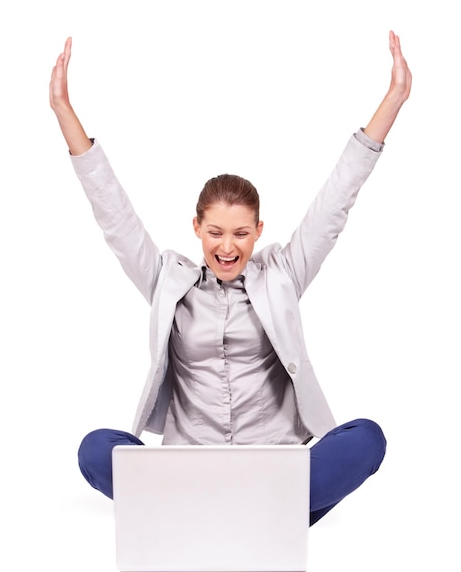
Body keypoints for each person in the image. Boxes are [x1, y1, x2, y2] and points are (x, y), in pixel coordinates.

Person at [49, 31, 411, 525]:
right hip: (190, 468)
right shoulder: (165, 281)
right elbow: (112, 213)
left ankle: (213, 518)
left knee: (366, 437)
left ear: (259, 232)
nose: (227, 246)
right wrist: (64, 110)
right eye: (215, 232)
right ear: (195, 228)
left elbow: (336, 201)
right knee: (96, 449)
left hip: (276, 468)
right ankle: (250, 518)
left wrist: (392, 100)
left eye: (241, 233)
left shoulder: (282, 272)